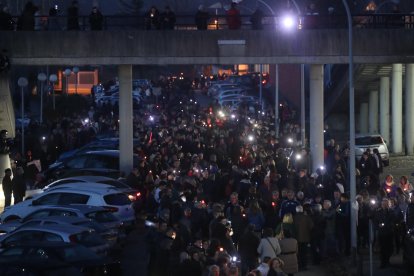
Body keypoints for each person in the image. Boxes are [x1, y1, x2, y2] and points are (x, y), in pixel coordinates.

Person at [374, 198, 396, 268]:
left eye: (386, 204)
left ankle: (387, 261)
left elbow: (393, 221)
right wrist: (378, 226)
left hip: (389, 232)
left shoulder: (391, 212)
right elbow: (375, 222)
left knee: (389, 248)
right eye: (383, 204)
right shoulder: (378, 212)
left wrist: (386, 225)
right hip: (382, 233)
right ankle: (383, 262)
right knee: (382, 248)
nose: (384, 205)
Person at [293, 205, 313, 270]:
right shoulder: (307, 217)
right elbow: (311, 226)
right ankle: (304, 266)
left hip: (296, 239)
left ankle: (298, 265)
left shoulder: (294, 218)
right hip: (306, 238)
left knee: (298, 253)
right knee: (304, 253)